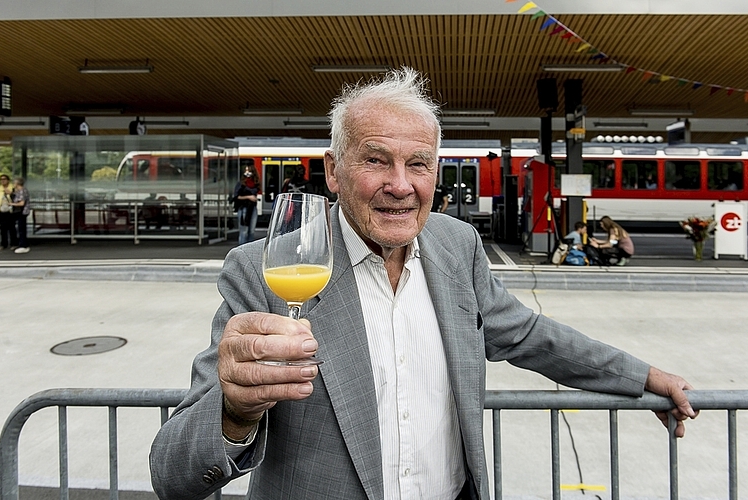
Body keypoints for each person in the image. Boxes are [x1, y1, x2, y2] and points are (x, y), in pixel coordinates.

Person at [150, 67, 696, 500]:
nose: (400, 185)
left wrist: (642, 376)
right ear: (334, 171)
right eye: (376, 160)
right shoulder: (265, 269)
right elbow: (172, 474)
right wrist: (234, 412)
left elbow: (532, 336)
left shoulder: (456, 247)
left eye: (419, 164)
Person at [233, 161, 261, 245]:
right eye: (246, 171)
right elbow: (236, 196)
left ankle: (249, 250)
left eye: (248, 171)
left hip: (253, 208)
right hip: (244, 208)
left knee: (251, 231)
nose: (247, 173)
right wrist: (249, 197)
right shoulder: (241, 184)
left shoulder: (256, 183)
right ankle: (241, 249)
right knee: (244, 231)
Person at [10, 177, 30, 254]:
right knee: (19, 227)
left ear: (17, 183)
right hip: (19, 212)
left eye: (14, 182)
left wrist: (12, 204)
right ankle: (22, 243)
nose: (13, 184)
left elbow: (21, 203)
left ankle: (23, 245)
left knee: (21, 228)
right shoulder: (18, 191)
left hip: (22, 211)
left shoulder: (22, 191)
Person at [0, 173, 17, 251]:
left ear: (8, 180)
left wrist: (11, 193)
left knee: (12, 228)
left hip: (10, 211)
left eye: (4, 179)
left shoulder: (12, 188)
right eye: (1, 179)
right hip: (1, 211)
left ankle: (14, 243)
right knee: (3, 229)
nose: (3, 181)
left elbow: (17, 198)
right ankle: (4, 244)